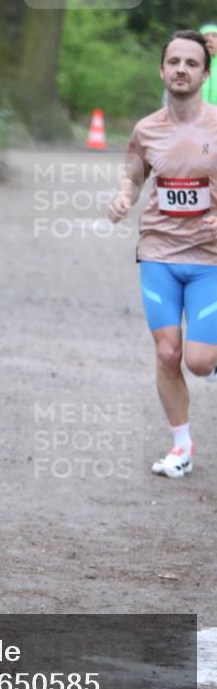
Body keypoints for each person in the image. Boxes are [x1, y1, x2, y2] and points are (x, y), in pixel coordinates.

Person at [109, 29, 217, 478]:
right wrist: (122, 196)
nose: (181, 70)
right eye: (173, 62)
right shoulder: (146, 129)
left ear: (205, 74)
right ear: (161, 70)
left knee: (199, 360)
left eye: (191, 63)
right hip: (158, 253)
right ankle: (181, 446)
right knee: (168, 353)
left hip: (210, 258)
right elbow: (134, 176)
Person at [199, 22, 217, 105]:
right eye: (205, 36)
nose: (210, 39)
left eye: (214, 36)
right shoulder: (189, 65)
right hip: (194, 116)